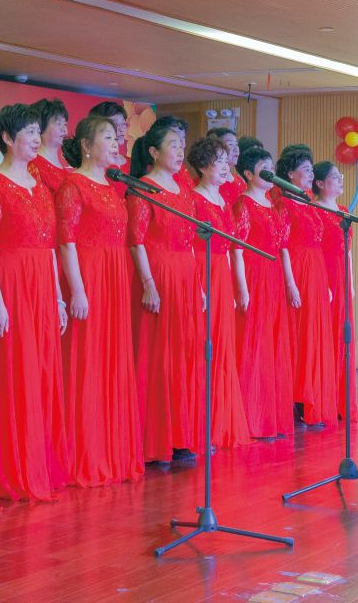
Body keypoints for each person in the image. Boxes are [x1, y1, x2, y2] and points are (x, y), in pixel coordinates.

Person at [0, 104, 70, 501]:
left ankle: (41, 464)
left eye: (38, 132)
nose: (36, 139)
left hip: (42, 285)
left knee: (44, 371)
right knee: (17, 372)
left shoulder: (40, 186)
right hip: (12, 282)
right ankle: (14, 468)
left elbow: (50, 248)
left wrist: (58, 297)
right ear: (6, 138)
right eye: (29, 133)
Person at [57, 116, 143, 485]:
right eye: (107, 138)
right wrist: (77, 290)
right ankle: (86, 453)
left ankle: (112, 450)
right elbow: (66, 241)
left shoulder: (113, 185)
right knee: (88, 358)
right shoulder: (73, 185)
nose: (115, 143)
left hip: (114, 276)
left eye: (115, 137)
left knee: (112, 357)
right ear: (87, 146)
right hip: (89, 275)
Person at [128, 123, 203, 465]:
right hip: (159, 274)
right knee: (159, 356)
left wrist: (198, 284)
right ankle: (156, 440)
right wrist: (148, 283)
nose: (179, 150)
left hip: (185, 275)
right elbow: (137, 240)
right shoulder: (144, 188)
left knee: (184, 353)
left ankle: (181, 436)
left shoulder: (184, 190)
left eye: (181, 144)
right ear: (154, 152)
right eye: (172, 144)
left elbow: (190, 240)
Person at [188, 136, 250, 448]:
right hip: (202, 271)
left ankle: (220, 423)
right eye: (219, 161)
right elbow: (187, 245)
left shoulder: (224, 199)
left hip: (222, 273)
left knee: (223, 345)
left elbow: (231, 247)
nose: (226, 167)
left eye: (227, 161)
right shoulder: (193, 199)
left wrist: (240, 286)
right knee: (204, 345)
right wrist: (197, 285)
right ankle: (201, 426)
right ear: (202, 166)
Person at [229, 147, 293, 440]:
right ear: (248, 174)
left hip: (273, 274)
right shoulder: (244, 204)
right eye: (263, 169)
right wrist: (242, 287)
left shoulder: (271, 203)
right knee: (254, 342)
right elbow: (237, 249)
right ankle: (254, 418)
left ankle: (271, 416)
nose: (270, 174)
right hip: (254, 275)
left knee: (273, 342)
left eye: (271, 169)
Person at [275, 144, 337, 428]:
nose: (311, 174)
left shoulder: (309, 201)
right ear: (291, 174)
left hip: (315, 269)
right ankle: (296, 398)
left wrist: (324, 282)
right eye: (306, 170)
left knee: (314, 333)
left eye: (312, 169)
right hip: (296, 269)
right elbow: (283, 246)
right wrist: (291, 283)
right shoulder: (284, 203)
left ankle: (312, 395)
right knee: (298, 333)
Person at [311, 161, 358, 423]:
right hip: (324, 273)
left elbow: (348, 250)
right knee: (327, 336)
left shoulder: (344, 210)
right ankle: (324, 400)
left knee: (344, 337)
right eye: (334, 177)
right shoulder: (314, 209)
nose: (340, 180)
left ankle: (343, 401)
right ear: (319, 183)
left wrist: (351, 282)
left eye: (341, 176)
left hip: (342, 276)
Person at [28, 98, 71, 194]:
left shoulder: (63, 169)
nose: (64, 130)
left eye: (65, 124)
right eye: (58, 123)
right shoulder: (33, 165)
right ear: (40, 127)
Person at [210, 128, 245, 206]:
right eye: (230, 144)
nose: (236, 149)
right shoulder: (211, 182)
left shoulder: (239, 180)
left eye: (236, 144)